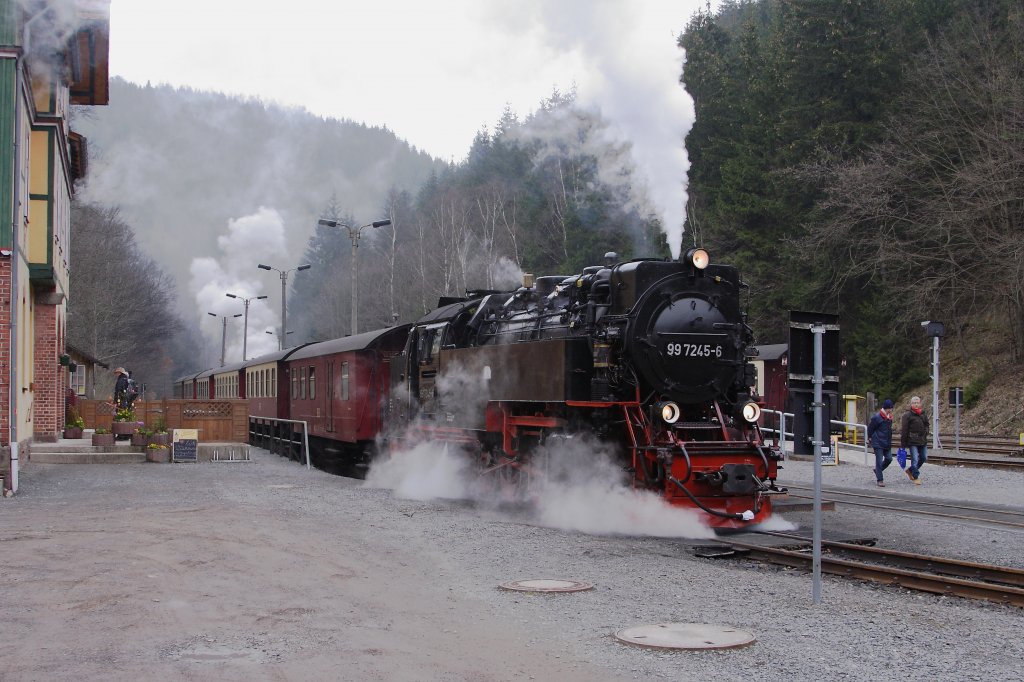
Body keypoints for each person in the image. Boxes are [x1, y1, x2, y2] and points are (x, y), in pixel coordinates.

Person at [900, 395, 928, 485]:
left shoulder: (923, 414)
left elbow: (927, 424)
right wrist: (903, 445)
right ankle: (915, 477)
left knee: (924, 457)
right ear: (911, 404)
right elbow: (904, 430)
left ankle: (910, 470)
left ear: (920, 403)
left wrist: (926, 431)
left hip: (922, 440)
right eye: (914, 403)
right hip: (912, 440)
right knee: (915, 459)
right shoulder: (907, 415)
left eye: (917, 403)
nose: (916, 404)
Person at [867, 399, 895, 486]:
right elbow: (870, 428)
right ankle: (880, 479)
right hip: (878, 442)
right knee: (879, 460)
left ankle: (878, 470)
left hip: (886, 442)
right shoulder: (877, 417)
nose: (891, 410)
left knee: (889, 459)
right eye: (890, 408)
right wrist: (870, 437)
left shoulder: (889, 418)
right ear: (887, 408)